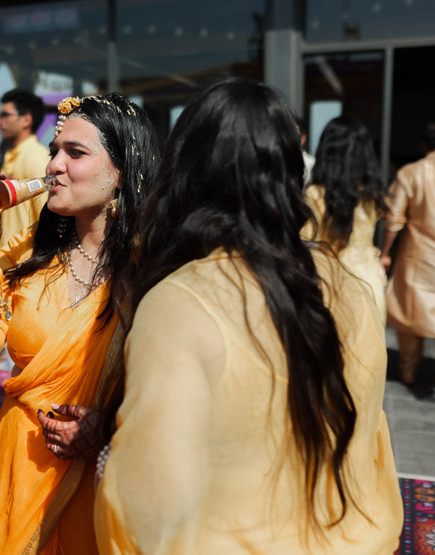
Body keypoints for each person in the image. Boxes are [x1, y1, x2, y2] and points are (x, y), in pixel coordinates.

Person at [95, 78, 402, 553]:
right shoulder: (348, 286)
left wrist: (105, 465)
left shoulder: (180, 302)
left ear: (182, 172)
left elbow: (151, 504)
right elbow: (370, 440)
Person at [0, 93, 160, 554]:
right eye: (55, 151)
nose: (54, 165)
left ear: (122, 172)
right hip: (20, 467)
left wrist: (107, 428)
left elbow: (178, 389)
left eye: (75, 153)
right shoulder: (26, 253)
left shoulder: (152, 268)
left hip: (104, 479)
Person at [304, 115, 388, 320]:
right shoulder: (373, 195)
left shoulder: (316, 195)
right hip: (370, 281)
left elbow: (307, 240)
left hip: (332, 284)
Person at [380, 120, 435, 385]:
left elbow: (394, 219)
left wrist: (385, 252)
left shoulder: (410, 173)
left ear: (423, 145)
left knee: (410, 315)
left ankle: (407, 369)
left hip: (420, 256)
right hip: (422, 255)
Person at [0, 88, 51, 246]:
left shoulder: (36, 157)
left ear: (26, 120)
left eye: (5, 115)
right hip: (7, 256)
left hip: (26, 258)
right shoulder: (12, 155)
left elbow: (48, 216)